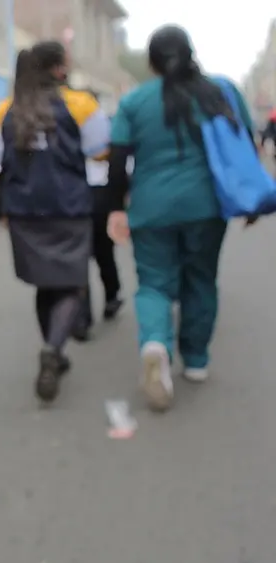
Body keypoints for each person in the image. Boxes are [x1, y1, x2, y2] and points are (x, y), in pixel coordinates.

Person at [105, 25, 256, 411]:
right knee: (200, 279)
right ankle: (196, 361)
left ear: (151, 63)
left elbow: (118, 160)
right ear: (190, 54)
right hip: (206, 207)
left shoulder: (134, 102)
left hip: (151, 208)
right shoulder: (219, 92)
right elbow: (246, 143)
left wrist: (116, 209)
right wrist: (249, 197)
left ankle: (155, 343)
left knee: (154, 283)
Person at [0, 41, 110, 402]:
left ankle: (54, 351)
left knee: (44, 285)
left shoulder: (5, 110)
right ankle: (52, 349)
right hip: (68, 207)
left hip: (24, 211)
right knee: (72, 285)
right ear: (58, 69)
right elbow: (100, 151)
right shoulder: (80, 104)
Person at [73, 89, 123, 341]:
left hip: (77, 193)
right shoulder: (104, 126)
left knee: (79, 257)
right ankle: (112, 296)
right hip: (99, 193)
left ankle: (82, 317)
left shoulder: (66, 123)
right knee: (104, 254)